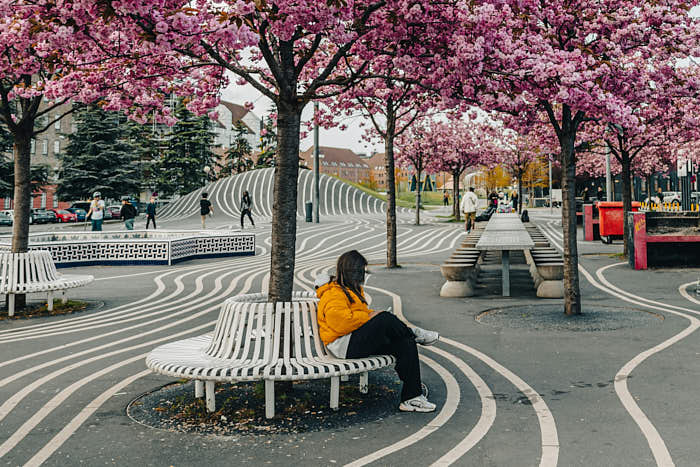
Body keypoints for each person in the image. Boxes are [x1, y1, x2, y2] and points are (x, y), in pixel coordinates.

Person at [316, 250, 438, 412]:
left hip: (354, 339)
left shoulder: (352, 290)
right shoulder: (333, 293)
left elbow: (357, 316)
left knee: (404, 342)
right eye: (361, 272)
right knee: (384, 318)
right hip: (344, 345)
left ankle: (412, 397)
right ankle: (413, 333)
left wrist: (370, 315)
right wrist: (371, 316)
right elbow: (342, 323)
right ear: (351, 271)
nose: (363, 276)